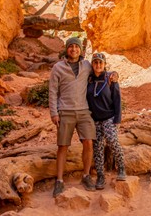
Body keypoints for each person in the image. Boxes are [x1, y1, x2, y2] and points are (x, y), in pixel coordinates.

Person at [49, 37, 117, 198]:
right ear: (67, 49)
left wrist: (114, 74)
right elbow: (52, 91)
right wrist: (53, 112)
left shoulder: (86, 65)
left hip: (84, 111)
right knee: (63, 146)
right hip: (65, 111)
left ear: (80, 49)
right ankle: (59, 180)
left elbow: (101, 70)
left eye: (76, 46)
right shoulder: (58, 68)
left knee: (88, 142)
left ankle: (86, 176)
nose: (74, 49)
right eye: (71, 46)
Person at [86, 52, 126, 190]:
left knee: (112, 140)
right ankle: (100, 176)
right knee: (97, 148)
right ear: (92, 64)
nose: (98, 65)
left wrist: (118, 119)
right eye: (95, 62)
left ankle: (121, 167)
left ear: (104, 65)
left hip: (109, 118)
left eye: (100, 63)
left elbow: (117, 100)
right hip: (95, 120)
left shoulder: (110, 79)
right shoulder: (89, 79)